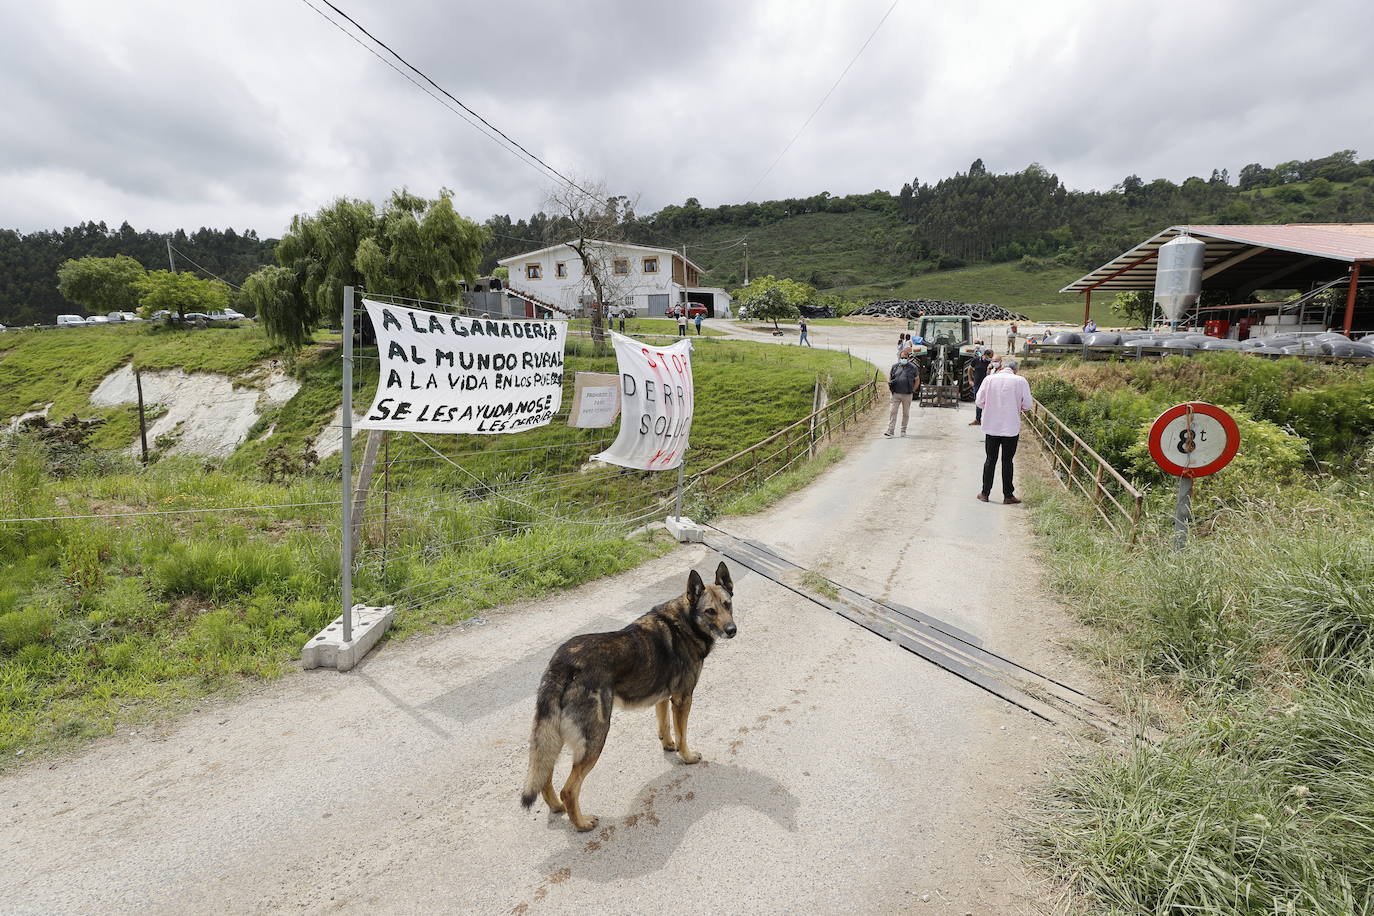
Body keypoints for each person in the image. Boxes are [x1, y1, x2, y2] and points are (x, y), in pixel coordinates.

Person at [974, 358, 1033, 504]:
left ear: (1002, 367)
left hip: (991, 427)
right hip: (1010, 428)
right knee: (1007, 461)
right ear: (1015, 369)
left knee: (990, 460)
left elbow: (979, 402)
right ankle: (1008, 495)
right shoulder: (1020, 381)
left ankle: (985, 493)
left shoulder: (989, 380)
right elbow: (1027, 405)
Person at [885, 352, 919, 438]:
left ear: (908, 358)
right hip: (896, 394)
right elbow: (890, 377)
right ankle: (890, 431)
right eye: (902, 358)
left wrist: (913, 390)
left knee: (906, 413)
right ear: (900, 358)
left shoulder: (913, 368)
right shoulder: (895, 367)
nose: (903, 359)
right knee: (893, 412)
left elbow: (917, 380)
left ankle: (903, 430)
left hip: (907, 395)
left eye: (905, 358)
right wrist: (890, 385)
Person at [966, 348, 992, 426]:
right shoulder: (975, 360)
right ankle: (978, 419)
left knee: (988, 403)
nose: (990, 358)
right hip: (977, 384)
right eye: (989, 356)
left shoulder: (990, 363)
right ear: (985, 355)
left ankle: (988, 420)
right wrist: (970, 380)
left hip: (987, 386)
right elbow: (969, 369)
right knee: (978, 402)